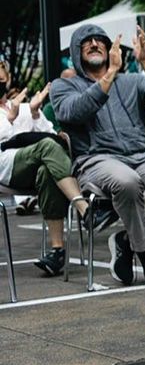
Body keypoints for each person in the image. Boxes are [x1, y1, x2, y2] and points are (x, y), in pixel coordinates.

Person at [50, 25, 145, 285]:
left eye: (100, 40)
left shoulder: (132, 81)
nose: (94, 44)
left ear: (109, 49)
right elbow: (74, 112)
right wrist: (110, 74)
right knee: (127, 181)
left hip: (143, 155)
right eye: (87, 41)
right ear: (76, 51)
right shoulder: (64, 85)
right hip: (97, 159)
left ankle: (127, 242)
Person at [0, 80, 105, 276]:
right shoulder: (14, 109)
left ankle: (57, 252)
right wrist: (10, 118)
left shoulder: (24, 106)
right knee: (47, 147)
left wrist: (34, 113)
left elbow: (49, 134)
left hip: (35, 163)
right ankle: (85, 209)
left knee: (48, 171)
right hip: (7, 166)